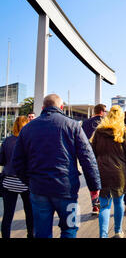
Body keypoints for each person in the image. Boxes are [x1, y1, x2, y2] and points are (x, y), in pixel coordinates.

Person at [12, 94, 101, 238]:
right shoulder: (72, 125)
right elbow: (87, 158)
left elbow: (17, 161)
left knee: (41, 233)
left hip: (39, 189)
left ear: (42, 108)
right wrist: (94, 186)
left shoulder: (27, 129)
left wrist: (30, 181)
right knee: (70, 229)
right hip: (67, 189)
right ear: (61, 107)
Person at [90, 105, 126, 238]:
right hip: (120, 173)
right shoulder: (125, 130)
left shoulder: (99, 131)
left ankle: (103, 235)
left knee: (104, 206)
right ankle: (118, 231)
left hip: (102, 172)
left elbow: (92, 153)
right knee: (118, 202)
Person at [0, 116, 33, 238]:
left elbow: (1, 160)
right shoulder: (29, 141)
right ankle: (30, 235)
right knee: (29, 213)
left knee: (8, 215)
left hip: (9, 182)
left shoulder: (7, 141)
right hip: (26, 182)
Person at [82, 103, 107, 216]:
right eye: (105, 111)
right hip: (103, 155)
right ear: (101, 112)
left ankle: (95, 205)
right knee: (103, 180)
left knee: (92, 179)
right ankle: (103, 202)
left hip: (88, 155)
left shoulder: (85, 122)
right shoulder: (105, 122)